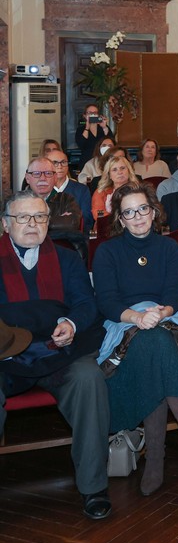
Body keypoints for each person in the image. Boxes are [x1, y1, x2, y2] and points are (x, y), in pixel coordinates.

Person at [92, 183, 178, 496]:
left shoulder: (169, 247)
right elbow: (106, 301)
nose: (138, 217)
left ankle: (156, 460)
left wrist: (159, 314)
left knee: (155, 344)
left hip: (166, 317)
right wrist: (137, 318)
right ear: (120, 219)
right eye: (129, 212)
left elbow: (175, 294)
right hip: (123, 321)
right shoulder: (108, 251)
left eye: (143, 209)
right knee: (153, 344)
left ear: (153, 211)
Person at [0, 191, 110, 518]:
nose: (32, 224)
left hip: (57, 351)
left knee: (89, 379)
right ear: (6, 224)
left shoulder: (66, 258)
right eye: (23, 217)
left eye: (40, 217)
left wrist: (71, 323)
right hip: (7, 357)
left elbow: (86, 303)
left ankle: (94, 486)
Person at [48, 150, 94, 232]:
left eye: (63, 162)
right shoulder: (43, 190)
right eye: (55, 163)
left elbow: (87, 220)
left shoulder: (82, 190)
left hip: (75, 238)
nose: (60, 166)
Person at [74, 104, 114, 168]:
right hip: (87, 161)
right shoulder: (81, 129)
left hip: (103, 161)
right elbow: (81, 144)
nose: (92, 114)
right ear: (85, 115)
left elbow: (111, 142)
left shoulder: (103, 128)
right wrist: (87, 127)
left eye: (95, 112)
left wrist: (104, 127)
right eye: (90, 113)